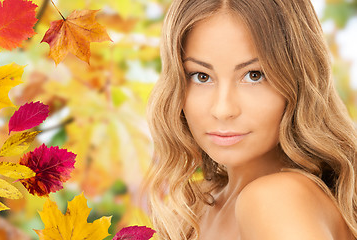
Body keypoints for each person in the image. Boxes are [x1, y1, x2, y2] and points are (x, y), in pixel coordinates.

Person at [143, 0, 357, 239]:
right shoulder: (197, 206)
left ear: (298, 79)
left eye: (254, 75)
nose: (223, 109)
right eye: (201, 76)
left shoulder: (276, 200)